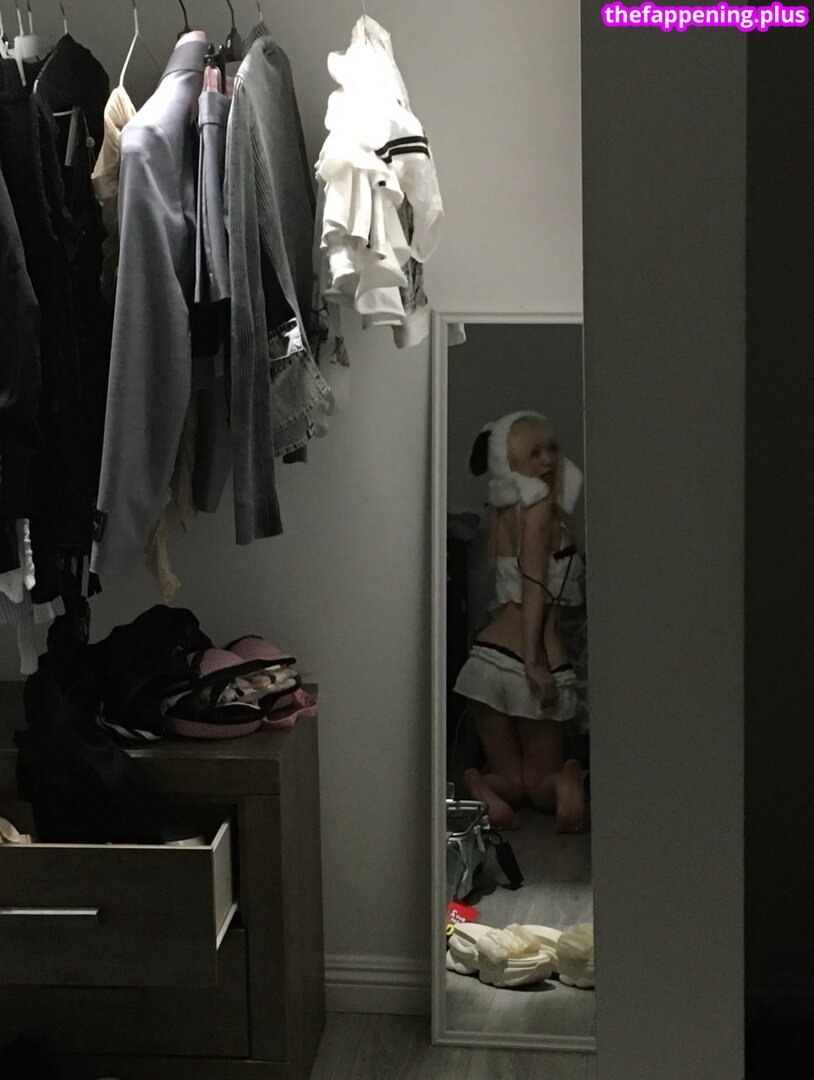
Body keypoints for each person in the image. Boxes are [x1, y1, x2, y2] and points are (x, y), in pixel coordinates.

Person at [454, 411, 587, 833]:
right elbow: (533, 585)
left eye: (552, 449)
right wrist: (533, 662)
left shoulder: (504, 509)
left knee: (511, 782)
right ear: (512, 459)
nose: (548, 460)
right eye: (534, 453)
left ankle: (478, 784)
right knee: (541, 786)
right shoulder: (539, 505)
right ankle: (567, 778)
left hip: (487, 661)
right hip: (534, 658)